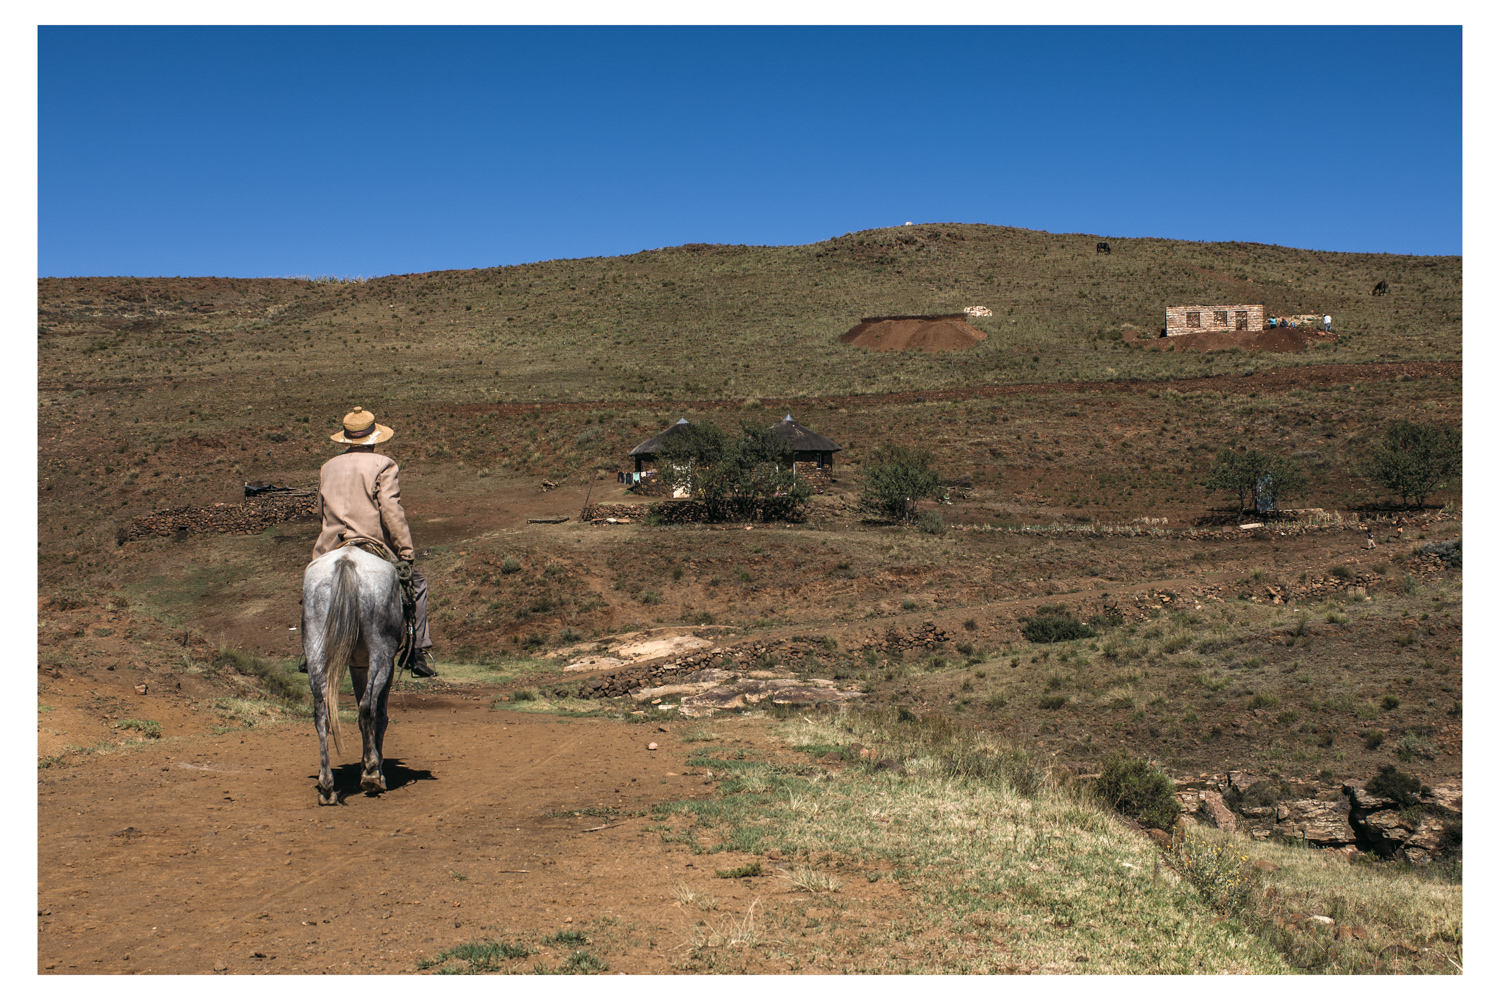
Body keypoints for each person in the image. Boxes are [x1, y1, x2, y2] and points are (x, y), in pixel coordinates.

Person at [301, 406, 437, 677]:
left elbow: (320, 511)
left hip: (331, 546)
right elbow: (390, 511)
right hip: (370, 542)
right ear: (374, 438)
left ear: (347, 438)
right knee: (417, 585)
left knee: (311, 590)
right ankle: (417, 650)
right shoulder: (384, 464)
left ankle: (309, 651)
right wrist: (406, 551)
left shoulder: (327, 467)